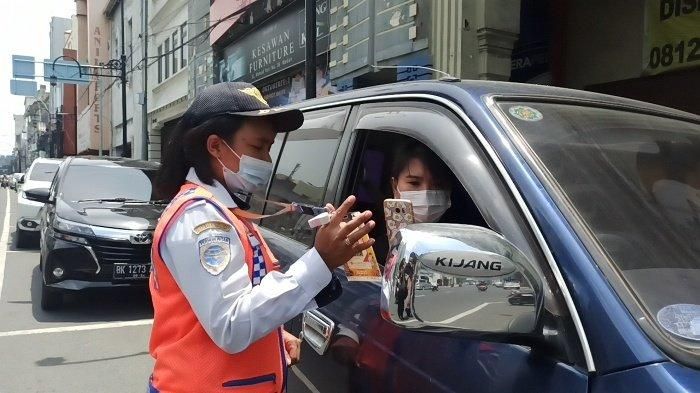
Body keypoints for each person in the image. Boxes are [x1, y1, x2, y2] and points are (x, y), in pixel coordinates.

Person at [148, 82, 375, 393]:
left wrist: (272, 338)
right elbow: (230, 326)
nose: (267, 160)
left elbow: (228, 304)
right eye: (258, 147)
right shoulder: (201, 219)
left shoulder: (225, 210)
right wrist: (320, 260)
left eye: (269, 148)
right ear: (215, 145)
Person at [390, 141, 453, 224]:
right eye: (414, 183)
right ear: (395, 186)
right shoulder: (373, 236)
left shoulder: (465, 234)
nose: (426, 195)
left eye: (437, 185)